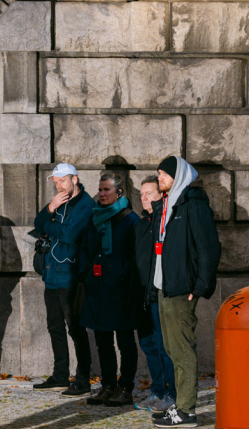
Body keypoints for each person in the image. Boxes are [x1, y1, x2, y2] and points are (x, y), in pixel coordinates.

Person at [135, 155, 222, 428]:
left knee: (182, 349)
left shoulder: (193, 205)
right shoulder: (168, 205)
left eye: (164, 174)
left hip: (182, 289)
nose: (160, 178)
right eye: (159, 174)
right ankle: (180, 405)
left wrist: (199, 288)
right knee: (171, 348)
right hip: (164, 287)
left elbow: (208, 249)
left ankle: (186, 411)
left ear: (179, 176)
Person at [31, 162, 95, 394]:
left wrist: (50, 224)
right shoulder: (58, 202)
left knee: (76, 329)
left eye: (63, 180)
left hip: (71, 276)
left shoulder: (86, 204)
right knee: (54, 326)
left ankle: (82, 379)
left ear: (74, 179)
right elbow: (38, 224)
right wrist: (50, 209)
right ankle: (60, 375)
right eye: (56, 182)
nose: (59, 186)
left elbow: (69, 234)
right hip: (51, 274)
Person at [79, 172, 141, 407]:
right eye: (100, 189)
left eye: (107, 190)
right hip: (97, 289)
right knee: (103, 341)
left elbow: (135, 255)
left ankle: (126, 387)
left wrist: (120, 274)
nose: (102, 194)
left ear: (119, 192)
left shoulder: (130, 219)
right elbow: (85, 247)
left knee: (125, 341)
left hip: (121, 290)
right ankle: (107, 386)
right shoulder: (94, 217)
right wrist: (87, 271)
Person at [132, 177, 177, 412]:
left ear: (161, 196)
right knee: (149, 346)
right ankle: (157, 390)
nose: (144, 197)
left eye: (149, 193)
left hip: (159, 294)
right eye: (141, 194)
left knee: (163, 346)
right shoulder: (142, 224)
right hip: (142, 295)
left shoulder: (166, 222)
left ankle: (171, 393)